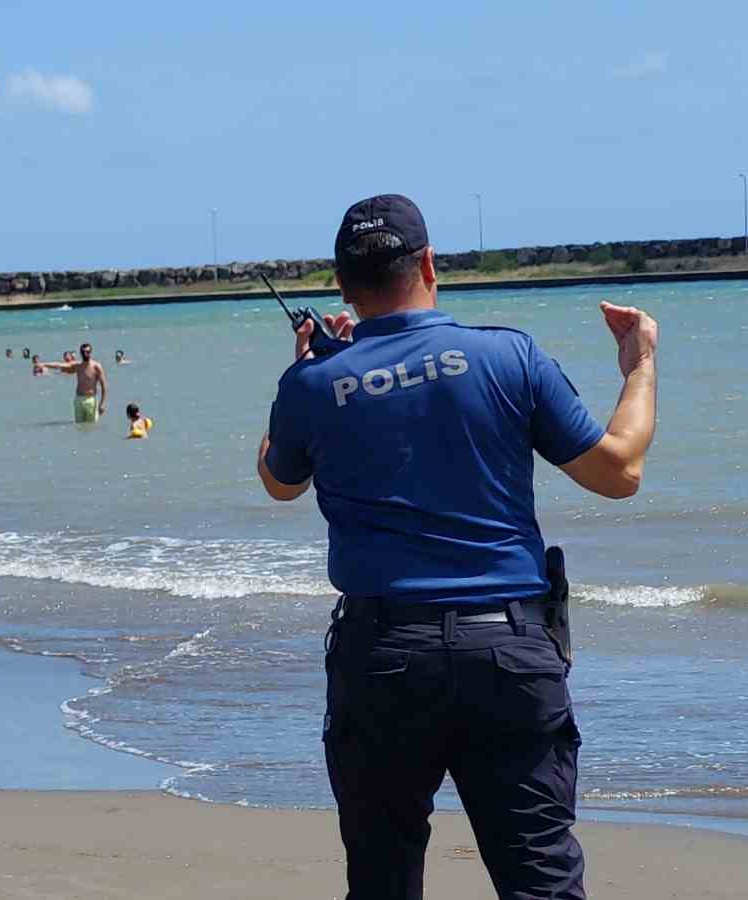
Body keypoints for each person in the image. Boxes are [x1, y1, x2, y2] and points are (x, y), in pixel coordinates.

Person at [257, 194, 657, 900]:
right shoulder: (508, 354)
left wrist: (306, 370)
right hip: (508, 651)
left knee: (383, 883)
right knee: (541, 883)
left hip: (381, 659)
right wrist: (639, 364)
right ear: (430, 265)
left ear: (344, 287)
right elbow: (619, 471)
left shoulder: (311, 384)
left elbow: (278, 480)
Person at [41, 342, 108, 423]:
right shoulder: (78, 365)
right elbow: (60, 365)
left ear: (91, 352)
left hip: (91, 399)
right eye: (83, 352)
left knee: (91, 426)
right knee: (79, 426)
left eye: (88, 352)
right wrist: (43, 364)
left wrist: (102, 404)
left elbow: (104, 386)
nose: (86, 354)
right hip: (79, 399)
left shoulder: (96, 366)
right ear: (80, 353)